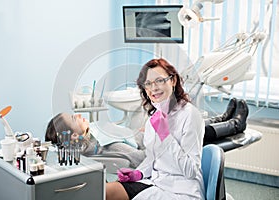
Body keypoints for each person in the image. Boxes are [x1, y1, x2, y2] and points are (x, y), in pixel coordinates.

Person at [106, 58, 205, 200]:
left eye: (160, 80)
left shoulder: (190, 115)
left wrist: (165, 136)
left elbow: (191, 170)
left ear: (173, 80)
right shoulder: (154, 117)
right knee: (104, 192)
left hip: (182, 191)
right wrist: (138, 174)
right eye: (148, 83)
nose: (154, 88)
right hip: (156, 183)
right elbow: (153, 159)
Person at [45, 112, 146, 168]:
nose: (78, 115)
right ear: (74, 136)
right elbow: (142, 159)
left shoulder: (90, 132)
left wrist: (135, 132)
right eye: (74, 118)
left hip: (140, 135)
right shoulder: (107, 144)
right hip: (149, 145)